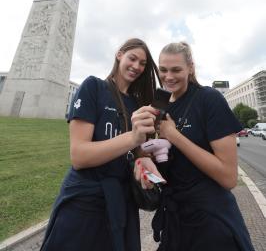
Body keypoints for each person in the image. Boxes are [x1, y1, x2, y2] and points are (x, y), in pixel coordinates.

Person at [40, 38, 161, 251]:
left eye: (142, 63)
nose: (137, 67)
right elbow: (79, 156)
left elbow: (135, 152)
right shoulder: (93, 87)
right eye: (132, 58)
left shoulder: (135, 104)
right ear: (119, 54)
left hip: (121, 201)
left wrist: (144, 161)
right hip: (85, 200)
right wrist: (132, 138)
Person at [135, 41, 255, 251]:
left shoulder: (209, 99)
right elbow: (159, 152)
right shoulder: (161, 103)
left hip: (211, 223)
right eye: (163, 70)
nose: (168, 77)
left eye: (176, 70)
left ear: (191, 68)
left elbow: (228, 178)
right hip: (174, 221)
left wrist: (174, 135)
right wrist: (143, 156)